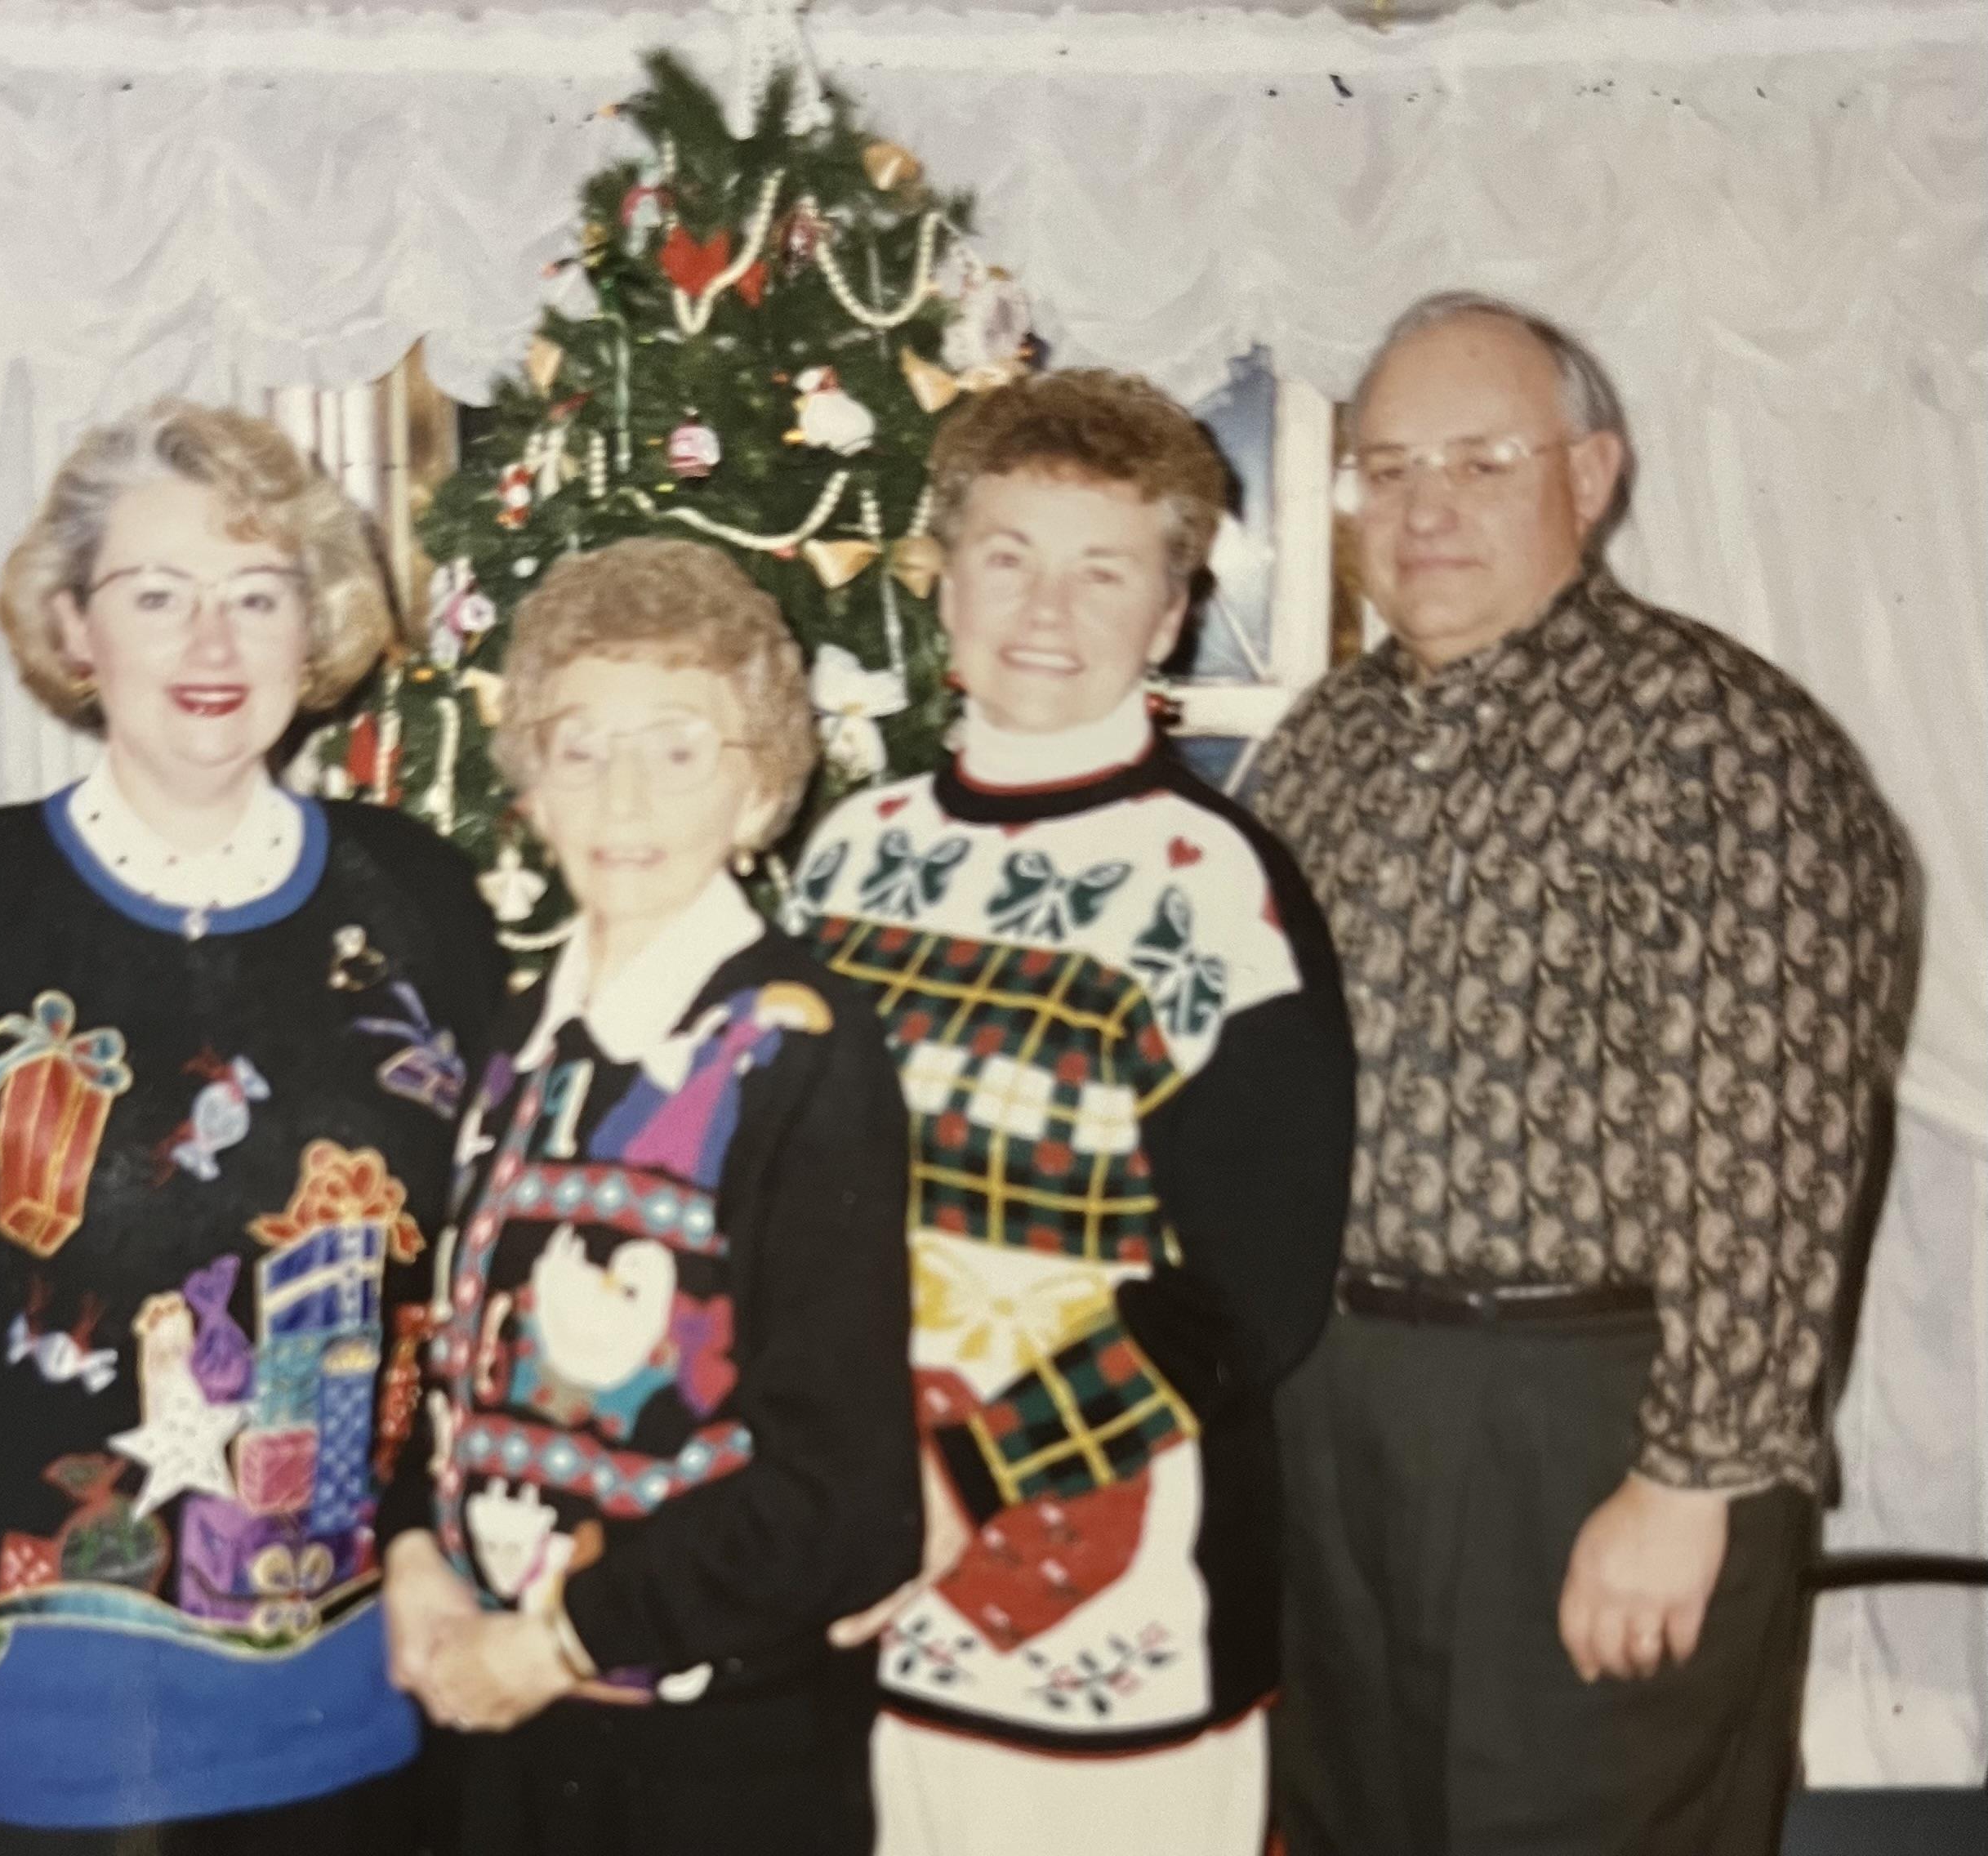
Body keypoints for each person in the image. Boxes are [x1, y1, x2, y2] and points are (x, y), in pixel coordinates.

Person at [0, 399, 505, 1854]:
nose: (213, 644)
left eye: (258, 597)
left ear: (316, 624)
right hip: (30, 1703)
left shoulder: (418, 895)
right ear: (74, 627)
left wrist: (442, 1539)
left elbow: (482, 1267)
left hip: (361, 1692)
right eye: (158, 596)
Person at [1247, 292, 1917, 1856]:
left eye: (1481, 462)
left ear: (1593, 475)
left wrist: (1690, 1485)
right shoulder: (1319, 749)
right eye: (1386, 469)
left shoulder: (1726, 747)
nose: (1424, 510)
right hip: (1336, 1407)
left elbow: (1775, 1149)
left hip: (1600, 1415)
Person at [791, 369, 1356, 1856]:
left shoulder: (1210, 887)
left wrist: (967, 1476)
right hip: (855, 1577)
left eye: (1102, 570)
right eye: (1008, 556)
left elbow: (1251, 1300)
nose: (1045, 610)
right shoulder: (847, 857)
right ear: (942, 580)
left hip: (1115, 1608)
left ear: (1169, 616)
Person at [379, 537, 921, 1856]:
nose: (623, 794)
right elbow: (454, 1356)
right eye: (581, 747)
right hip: (502, 1727)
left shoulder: (800, 1050)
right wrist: (411, 1555)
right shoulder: (521, 1040)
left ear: (759, 788)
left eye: (679, 748)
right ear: (533, 785)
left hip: (711, 1760)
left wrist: (558, 1642)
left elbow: (844, 1500)